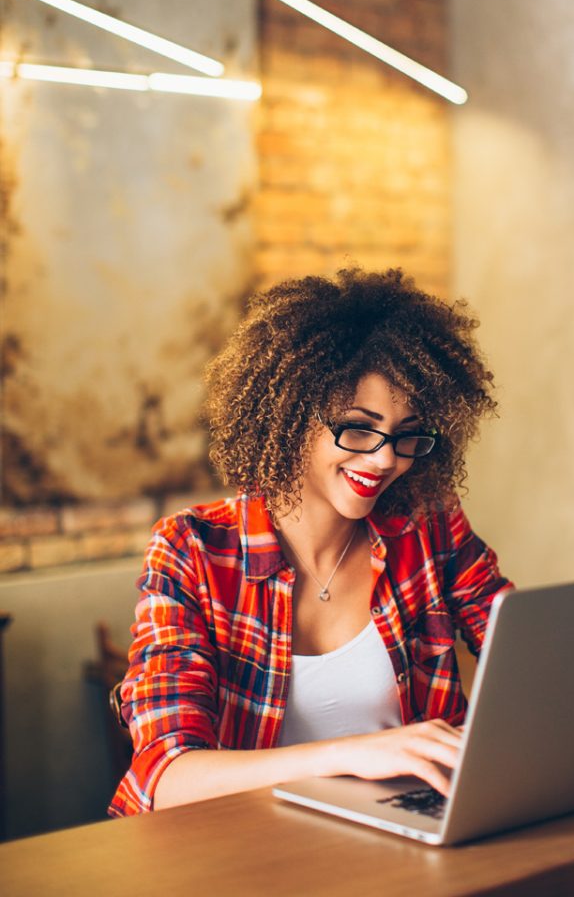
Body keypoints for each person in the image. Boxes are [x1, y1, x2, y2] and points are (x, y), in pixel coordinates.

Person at [110, 267, 512, 817]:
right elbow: (167, 776)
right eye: (359, 427)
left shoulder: (428, 526)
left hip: (405, 840)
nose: (385, 459)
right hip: (241, 855)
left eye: (406, 434)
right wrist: (355, 754)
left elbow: (528, 656)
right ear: (290, 414)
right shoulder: (193, 550)